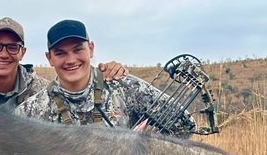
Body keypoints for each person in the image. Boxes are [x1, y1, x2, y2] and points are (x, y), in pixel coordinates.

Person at [17, 19, 195, 136]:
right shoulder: (29, 113)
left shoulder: (125, 87)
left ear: (91, 49)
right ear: (49, 58)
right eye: (61, 53)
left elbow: (185, 123)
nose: (71, 60)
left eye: (78, 49)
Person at [0, 17, 127, 110]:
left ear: (22, 53)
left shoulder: (42, 92)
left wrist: (108, 71)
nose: (3, 54)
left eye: (12, 47)